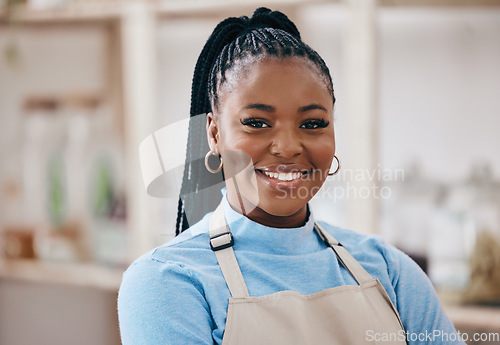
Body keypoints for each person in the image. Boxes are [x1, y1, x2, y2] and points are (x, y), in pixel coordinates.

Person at [118, 8, 465, 345]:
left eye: (312, 124)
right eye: (256, 123)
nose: (287, 147)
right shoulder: (167, 280)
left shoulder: (388, 268)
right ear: (214, 134)